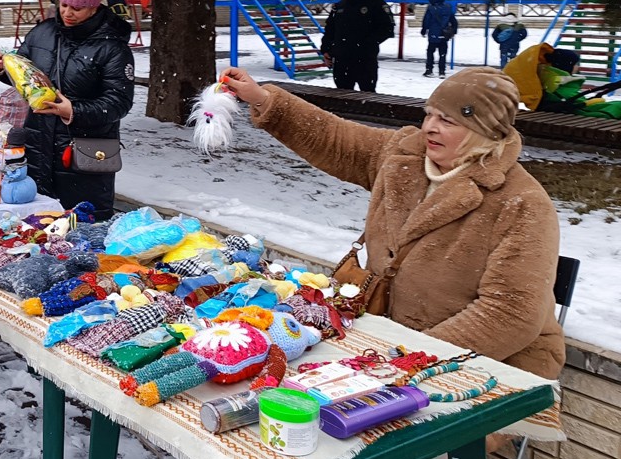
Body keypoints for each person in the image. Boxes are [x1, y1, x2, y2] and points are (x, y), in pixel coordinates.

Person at [220, 65, 564, 381]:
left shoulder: (521, 203)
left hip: (488, 364)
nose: (430, 127)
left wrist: (409, 358)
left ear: (483, 131)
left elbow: (510, 314)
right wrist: (264, 99)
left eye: (448, 121)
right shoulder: (406, 154)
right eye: (429, 114)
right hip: (388, 340)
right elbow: (337, 139)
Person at [0, 0, 136, 219]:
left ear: (94, 6)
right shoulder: (42, 33)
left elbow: (118, 102)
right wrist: (3, 69)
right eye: (64, 4)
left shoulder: (113, 48)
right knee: (38, 227)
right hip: (37, 148)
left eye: (77, 8)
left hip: (85, 159)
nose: (68, 13)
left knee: (83, 232)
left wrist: (74, 111)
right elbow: (25, 76)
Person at [319, 0, 395, 92]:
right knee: (342, 96)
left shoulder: (376, 4)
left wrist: (367, 44)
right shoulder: (340, 6)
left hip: (365, 60)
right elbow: (330, 29)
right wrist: (326, 49)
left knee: (367, 97)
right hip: (342, 60)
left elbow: (387, 28)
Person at [419, 0, 458, 78]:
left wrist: (424, 30)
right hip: (444, 35)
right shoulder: (448, 7)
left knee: (430, 52)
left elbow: (426, 21)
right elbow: (453, 21)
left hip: (433, 34)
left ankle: (429, 70)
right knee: (442, 54)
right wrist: (453, 31)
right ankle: (442, 71)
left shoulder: (430, 8)